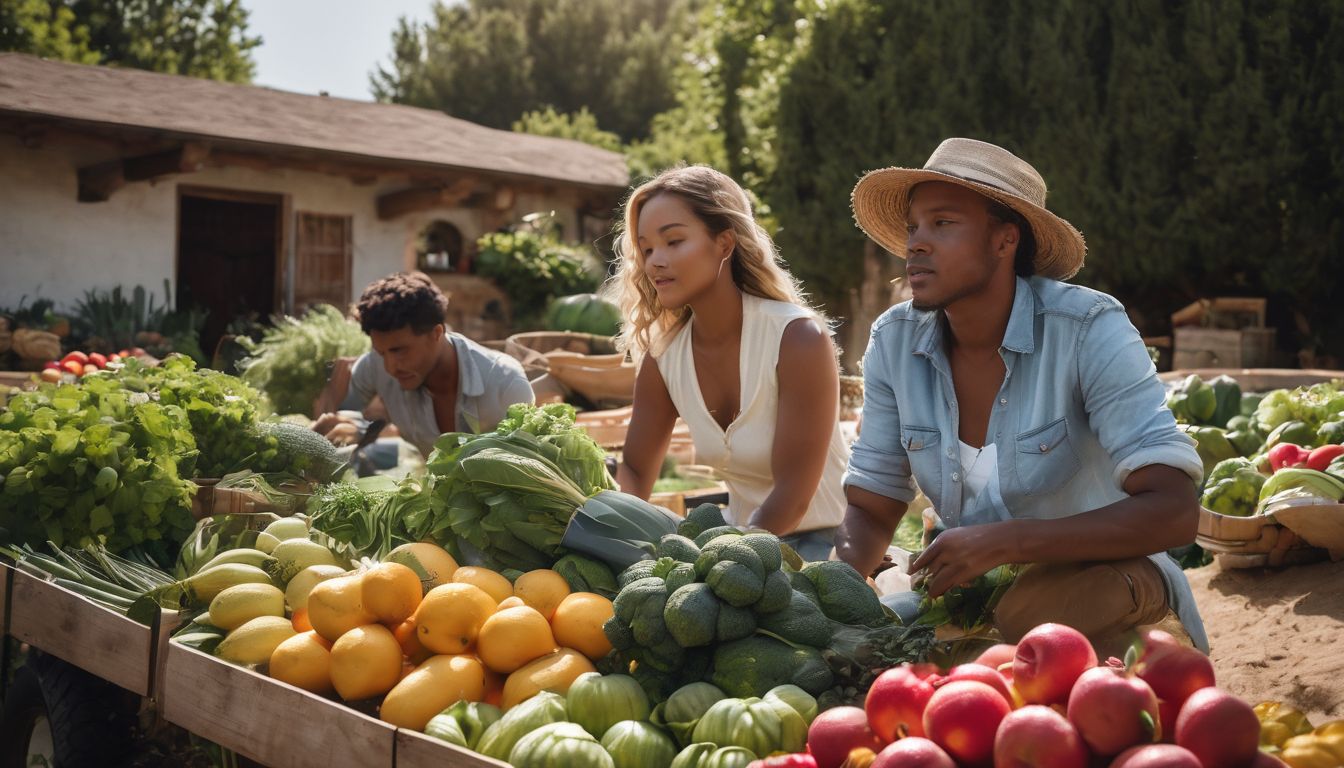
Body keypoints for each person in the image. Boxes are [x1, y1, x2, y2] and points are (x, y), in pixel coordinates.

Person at [837, 138, 1209, 656]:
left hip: (1106, 578)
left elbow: (1173, 510)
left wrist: (1006, 542)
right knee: (879, 644)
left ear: (1004, 241)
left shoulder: (1086, 328)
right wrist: (828, 596)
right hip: (977, 594)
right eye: (913, 227)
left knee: (1027, 618)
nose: (916, 244)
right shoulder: (894, 341)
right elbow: (873, 506)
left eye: (942, 223)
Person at [609, 165, 849, 562]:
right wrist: (600, 509)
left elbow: (793, 496)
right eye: (647, 249)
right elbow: (634, 472)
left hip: (829, 550)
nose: (654, 262)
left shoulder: (797, 338)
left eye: (673, 241)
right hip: (739, 544)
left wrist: (722, 561)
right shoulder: (664, 356)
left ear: (724, 243)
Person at [313, 272, 534, 457]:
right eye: (381, 352)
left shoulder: (505, 385)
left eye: (400, 350)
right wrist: (354, 427)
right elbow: (346, 415)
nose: (390, 367)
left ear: (436, 333)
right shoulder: (375, 365)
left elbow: (526, 473)